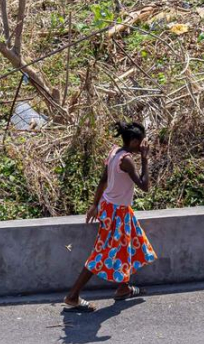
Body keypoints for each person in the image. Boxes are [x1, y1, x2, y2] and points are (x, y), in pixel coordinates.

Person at [63, 122, 158, 311]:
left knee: (127, 246)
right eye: (140, 142)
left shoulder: (114, 151)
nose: (143, 146)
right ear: (133, 141)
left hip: (112, 207)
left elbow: (104, 179)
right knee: (101, 253)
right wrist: (146, 160)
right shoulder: (127, 160)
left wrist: (95, 204)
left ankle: (123, 288)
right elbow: (145, 186)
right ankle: (73, 296)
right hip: (116, 212)